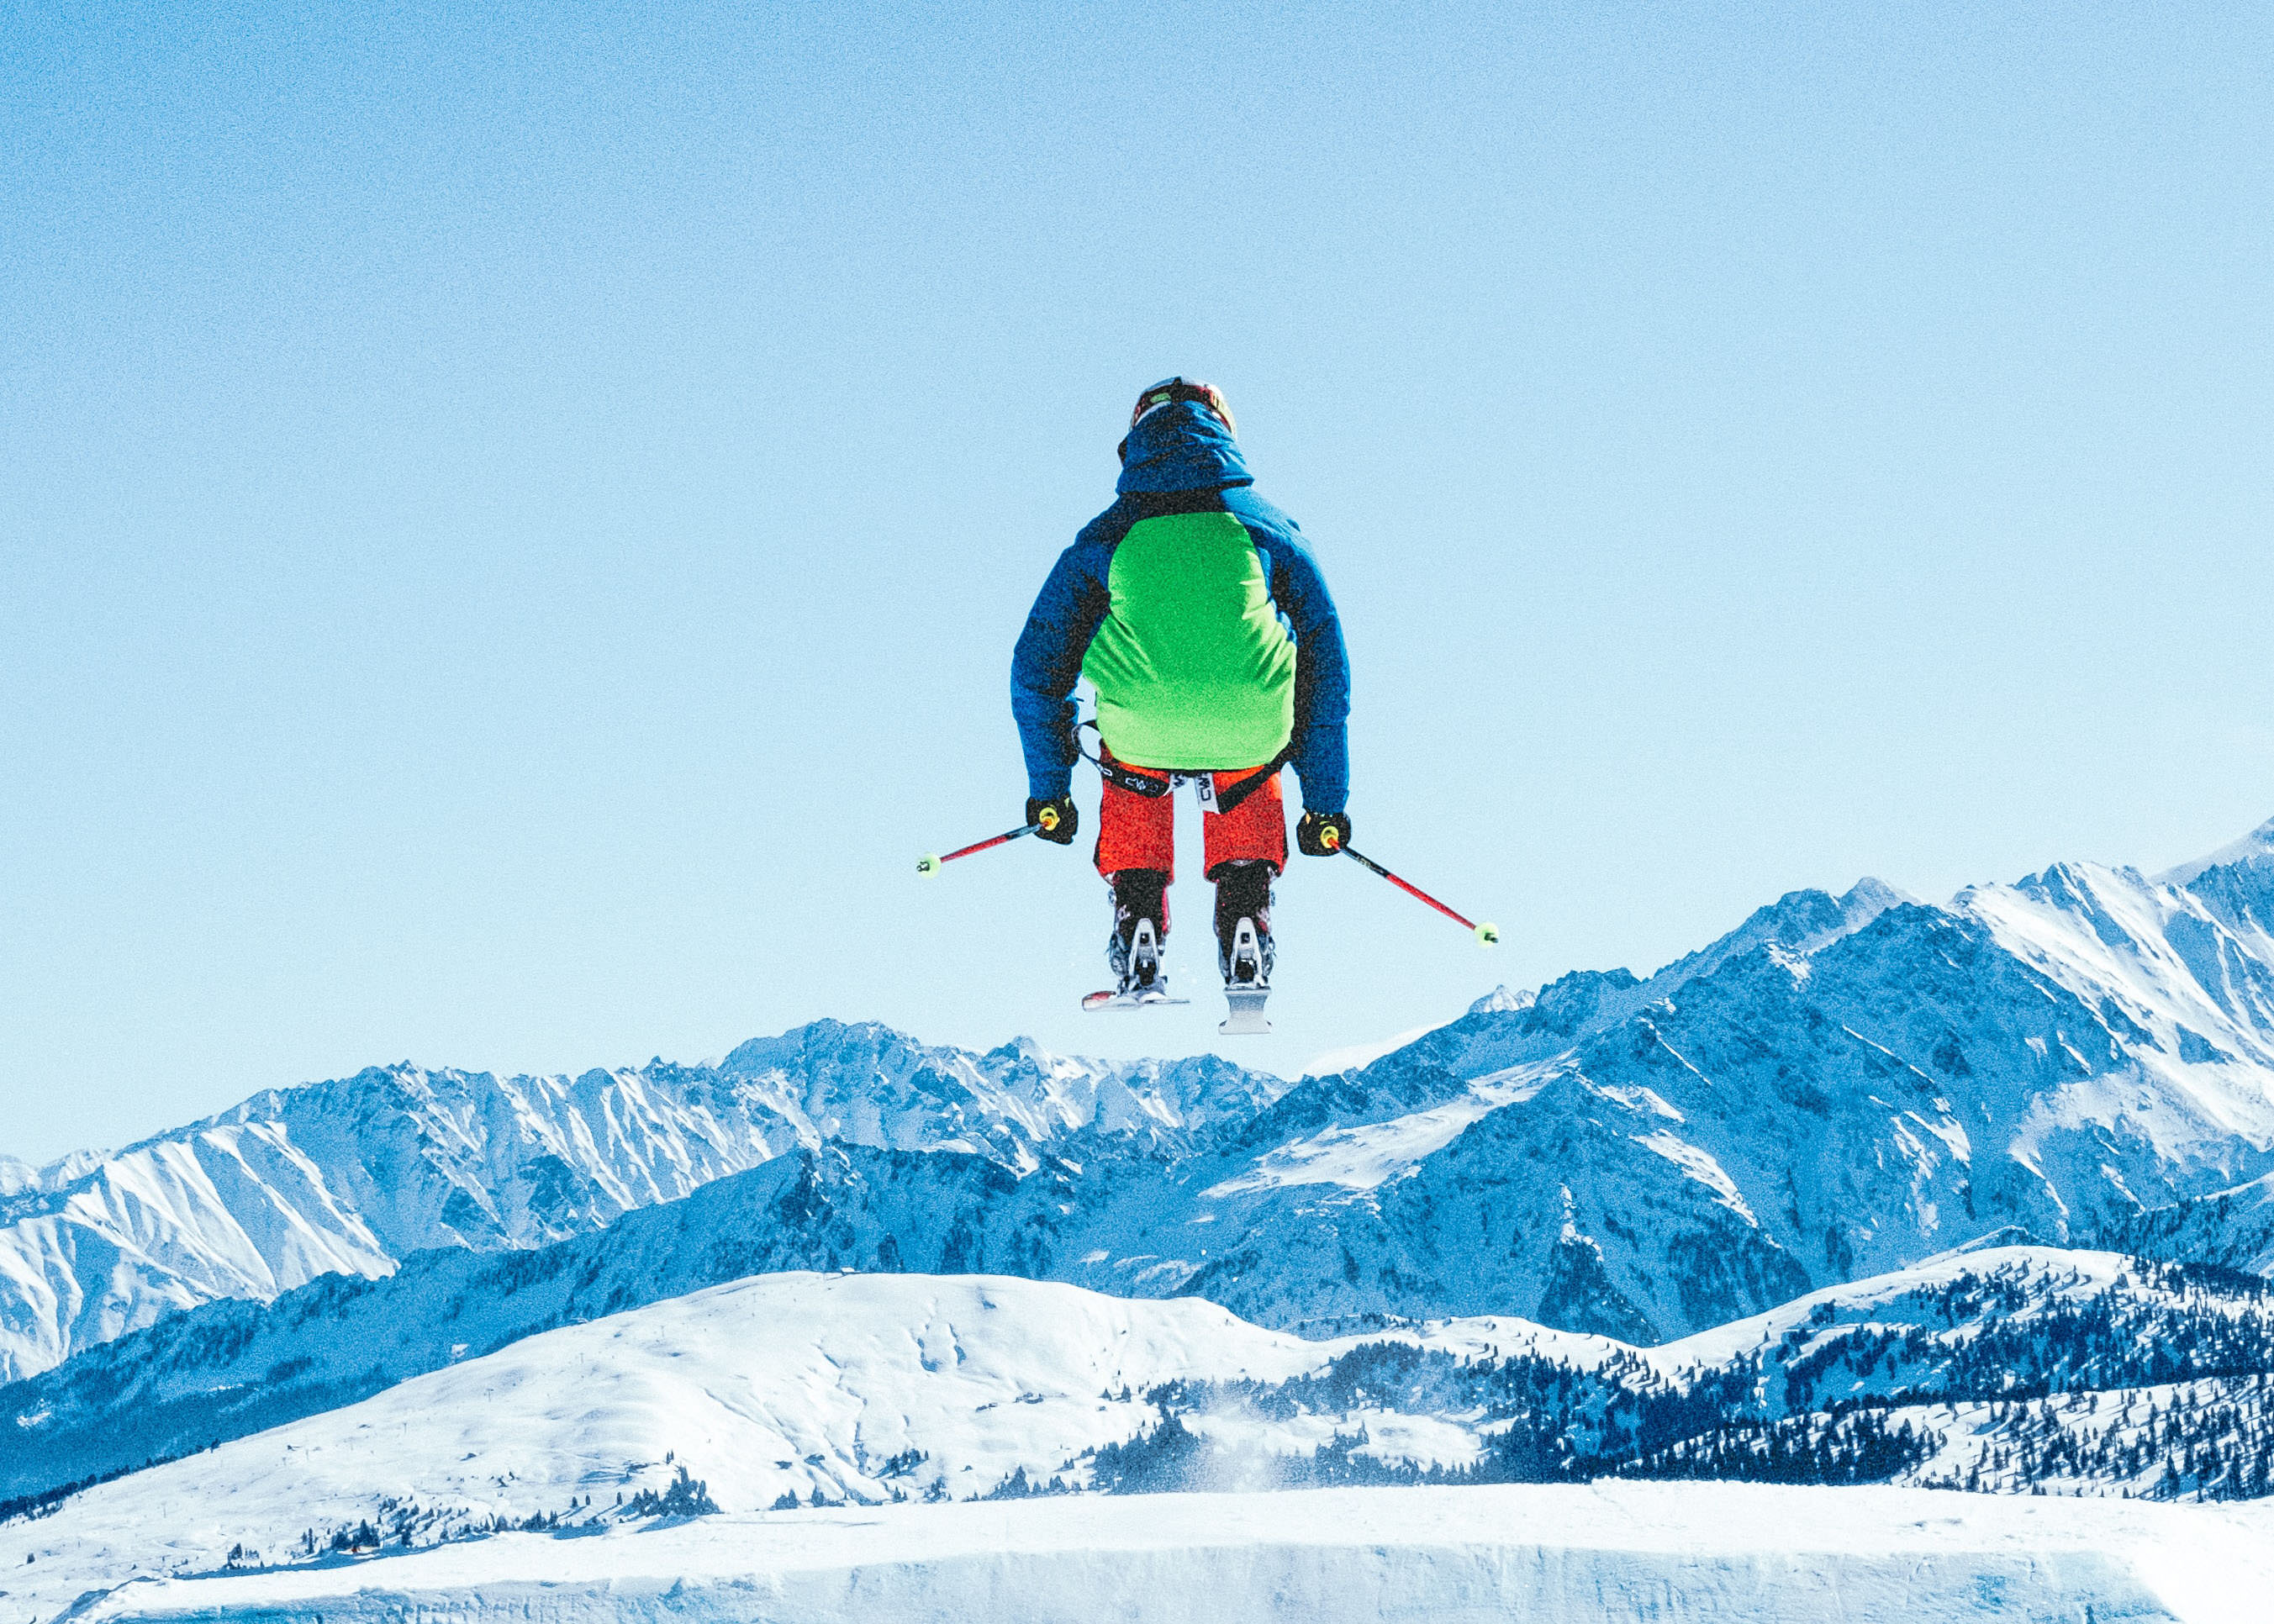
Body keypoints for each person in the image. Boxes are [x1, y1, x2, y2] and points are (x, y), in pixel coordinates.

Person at [1010, 377, 1353, 1001]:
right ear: (1225, 434)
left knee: (1130, 739)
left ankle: (1138, 918)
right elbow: (1326, 665)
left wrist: (1049, 792)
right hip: (1252, 729)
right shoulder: (1270, 530)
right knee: (1247, 737)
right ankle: (1245, 916)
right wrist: (1323, 801)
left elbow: (1037, 670)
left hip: (1142, 730)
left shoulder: (1103, 537)